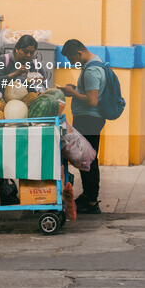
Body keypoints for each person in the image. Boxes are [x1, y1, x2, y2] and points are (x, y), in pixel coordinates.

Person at [59, 39, 106, 215]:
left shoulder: (91, 70)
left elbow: (92, 101)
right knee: (86, 158)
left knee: (88, 159)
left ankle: (92, 202)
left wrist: (72, 93)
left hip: (89, 119)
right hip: (89, 118)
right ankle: (88, 196)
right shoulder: (95, 63)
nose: (72, 63)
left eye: (71, 59)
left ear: (78, 54)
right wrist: (74, 90)